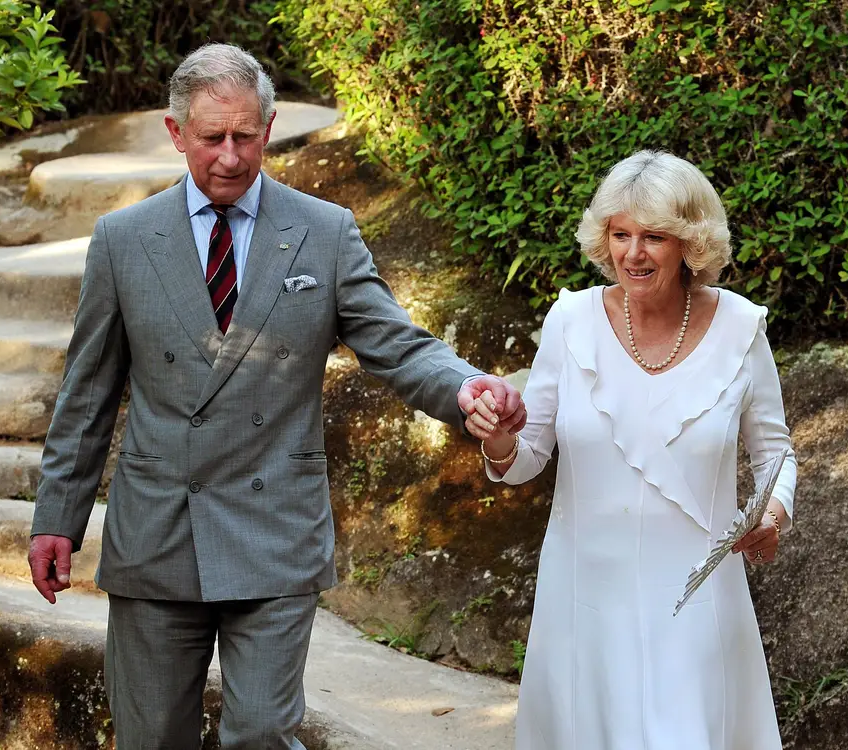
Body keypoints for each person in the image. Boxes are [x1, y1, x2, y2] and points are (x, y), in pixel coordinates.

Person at [27, 43, 525, 750]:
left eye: (245, 136)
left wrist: (467, 386)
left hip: (275, 531)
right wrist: (57, 516)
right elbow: (88, 394)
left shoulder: (324, 232)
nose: (229, 157)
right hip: (159, 533)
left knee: (261, 732)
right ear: (176, 134)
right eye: (210, 139)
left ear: (269, 127)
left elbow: (398, 343)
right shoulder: (122, 239)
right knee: (151, 737)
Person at [465, 150, 797, 749]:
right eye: (620, 235)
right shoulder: (571, 321)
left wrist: (772, 514)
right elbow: (525, 459)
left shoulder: (743, 329)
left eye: (654, 237)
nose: (633, 254)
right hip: (585, 604)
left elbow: (776, 452)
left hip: (697, 604)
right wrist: (498, 438)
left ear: (690, 244)